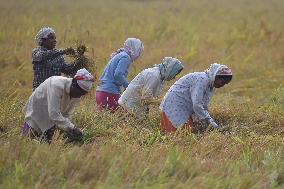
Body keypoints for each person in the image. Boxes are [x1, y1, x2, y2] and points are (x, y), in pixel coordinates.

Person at [22, 68, 94, 143]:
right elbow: (53, 113)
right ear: (74, 83)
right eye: (78, 93)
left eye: (82, 94)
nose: (79, 96)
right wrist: (73, 128)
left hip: (52, 117)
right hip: (37, 110)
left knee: (45, 145)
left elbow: (67, 114)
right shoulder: (56, 85)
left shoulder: (77, 94)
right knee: (25, 141)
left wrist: (69, 130)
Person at [159, 63, 233, 134]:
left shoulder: (209, 85)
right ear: (215, 76)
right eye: (222, 82)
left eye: (224, 84)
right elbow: (197, 105)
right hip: (174, 106)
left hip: (182, 108)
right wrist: (212, 124)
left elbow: (203, 106)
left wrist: (209, 123)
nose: (222, 85)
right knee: (181, 136)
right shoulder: (202, 79)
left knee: (188, 134)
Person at [118, 57, 184, 117]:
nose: (174, 77)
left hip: (134, 106)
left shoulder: (159, 75)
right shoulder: (154, 76)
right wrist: (164, 102)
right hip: (129, 107)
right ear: (170, 70)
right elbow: (145, 99)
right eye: (174, 74)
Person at [95, 38, 144, 112]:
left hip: (100, 92)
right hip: (109, 92)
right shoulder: (125, 57)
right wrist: (128, 87)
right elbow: (118, 74)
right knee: (124, 116)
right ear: (135, 49)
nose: (138, 55)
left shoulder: (119, 55)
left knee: (107, 118)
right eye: (139, 52)